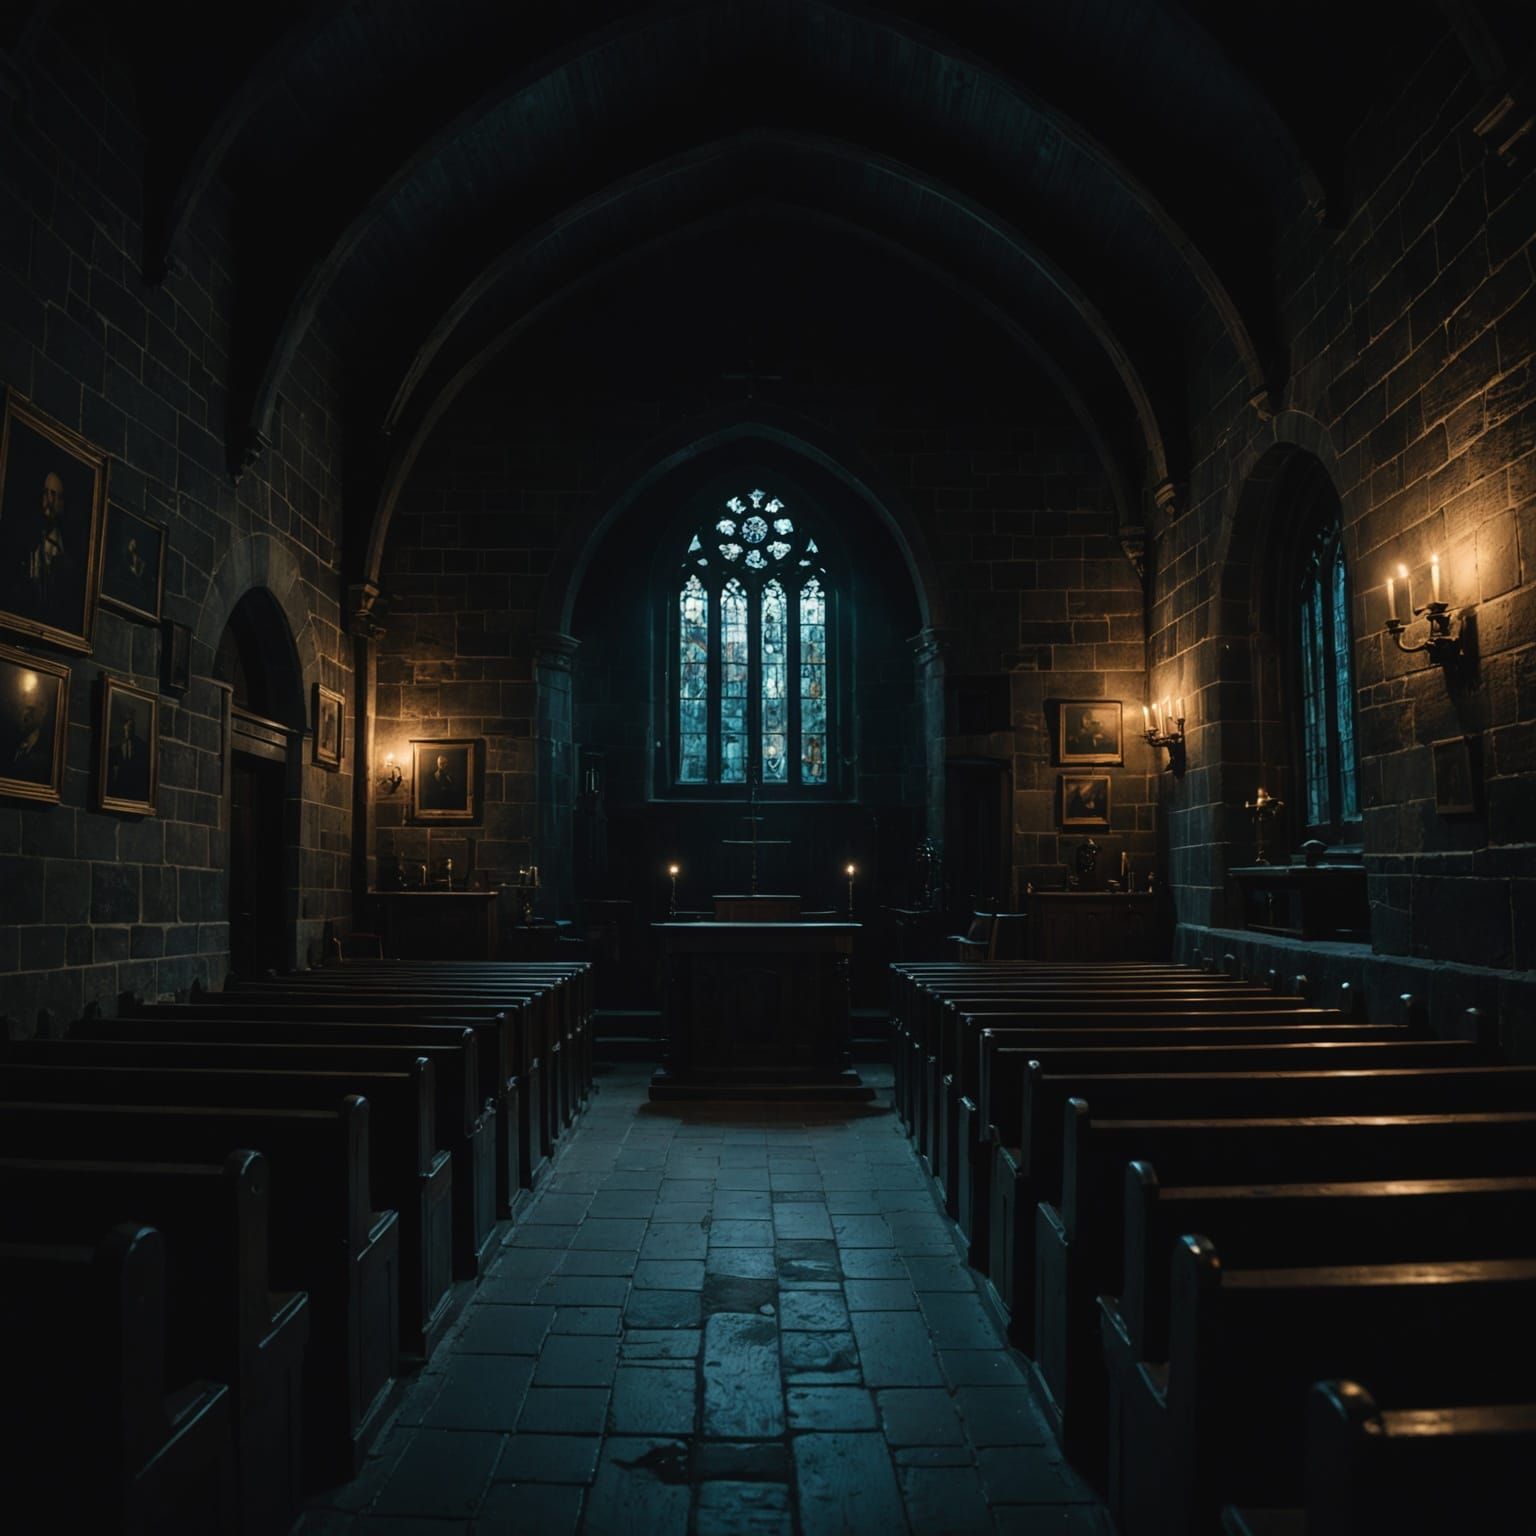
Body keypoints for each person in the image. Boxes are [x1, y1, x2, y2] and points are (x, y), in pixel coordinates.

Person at [106, 708, 150, 804]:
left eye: (131, 727)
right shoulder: (118, 746)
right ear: (124, 728)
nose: (129, 730)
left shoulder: (142, 746)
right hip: (121, 785)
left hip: (134, 786)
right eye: (127, 727)